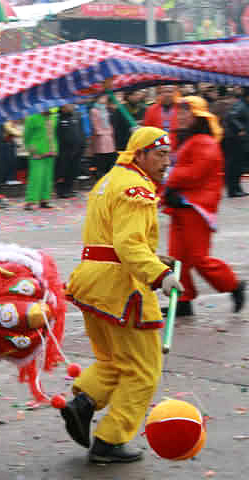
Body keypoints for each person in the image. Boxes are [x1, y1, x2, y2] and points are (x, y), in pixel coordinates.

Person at [63, 126, 182, 463]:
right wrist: (160, 275)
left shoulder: (108, 181)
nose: (166, 162)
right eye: (159, 154)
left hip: (91, 283)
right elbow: (127, 245)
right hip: (119, 289)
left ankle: (84, 402)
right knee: (144, 370)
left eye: (168, 154)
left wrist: (154, 258)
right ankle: (109, 441)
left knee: (114, 360)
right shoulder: (137, 188)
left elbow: (111, 240)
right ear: (139, 154)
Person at [163, 96, 246, 317]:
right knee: (176, 258)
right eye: (179, 113)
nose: (180, 116)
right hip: (180, 207)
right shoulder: (187, 139)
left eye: (185, 112)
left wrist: (168, 177)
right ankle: (182, 300)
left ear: (197, 116)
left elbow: (194, 172)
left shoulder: (204, 141)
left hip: (195, 208)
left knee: (199, 259)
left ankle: (233, 285)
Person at [24, 109, 58, 209]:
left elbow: (54, 134)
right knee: (35, 177)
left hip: (50, 150)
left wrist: (55, 148)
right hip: (37, 151)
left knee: (47, 177)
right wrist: (31, 148)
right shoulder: (32, 117)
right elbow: (26, 136)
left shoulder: (53, 117)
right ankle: (30, 201)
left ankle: (45, 200)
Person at [222, 87, 249, 197]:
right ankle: (233, 190)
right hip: (234, 140)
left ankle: (236, 188)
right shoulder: (240, 105)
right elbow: (231, 117)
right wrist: (240, 129)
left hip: (238, 141)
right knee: (234, 166)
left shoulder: (244, 105)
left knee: (237, 166)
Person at [55, 103, 85, 198]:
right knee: (63, 170)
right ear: (63, 106)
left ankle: (69, 188)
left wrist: (82, 144)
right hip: (64, 150)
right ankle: (61, 190)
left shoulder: (76, 116)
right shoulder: (58, 118)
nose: (73, 106)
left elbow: (81, 131)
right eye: (70, 104)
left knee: (73, 170)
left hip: (77, 148)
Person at [144, 85, 179, 149]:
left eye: (170, 92)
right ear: (160, 94)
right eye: (164, 92)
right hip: (157, 147)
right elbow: (147, 131)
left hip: (176, 147)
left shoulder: (180, 108)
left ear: (175, 93)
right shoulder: (151, 110)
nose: (167, 94)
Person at [90, 95, 117, 178]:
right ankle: (101, 176)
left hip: (109, 136)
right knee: (102, 158)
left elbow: (109, 123)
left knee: (110, 157)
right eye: (102, 97)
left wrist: (110, 132)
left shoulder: (105, 109)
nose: (105, 98)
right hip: (101, 137)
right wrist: (103, 133)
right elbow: (95, 125)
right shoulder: (94, 110)